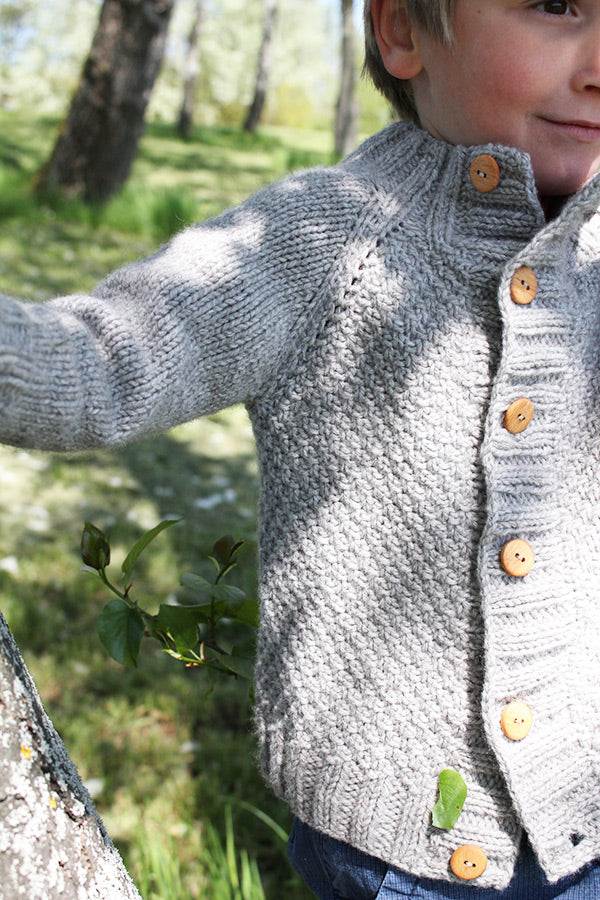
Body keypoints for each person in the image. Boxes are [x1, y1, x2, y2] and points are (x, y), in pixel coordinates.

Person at [1, 0, 600, 896]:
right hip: (399, 853)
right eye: (556, 7)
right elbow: (103, 360)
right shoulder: (322, 240)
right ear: (401, 31)